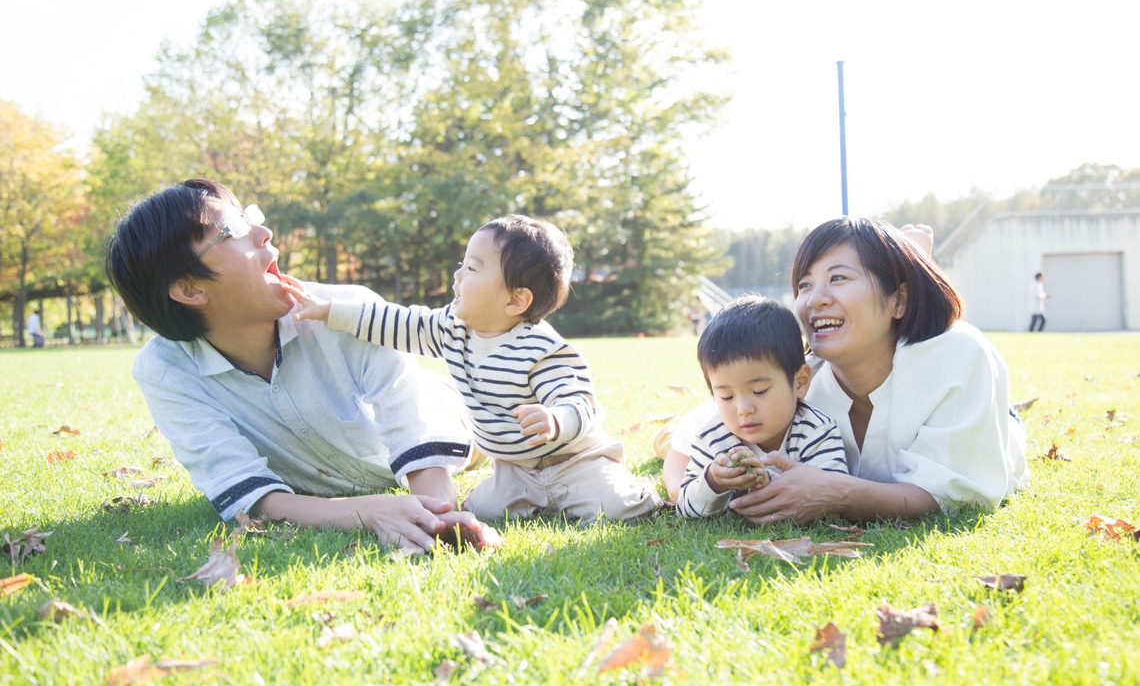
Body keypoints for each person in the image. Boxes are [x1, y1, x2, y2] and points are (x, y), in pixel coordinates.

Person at [104, 178, 496, 555]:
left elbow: (417, 432)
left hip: (462, 419)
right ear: (190, 289)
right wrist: (368, 511)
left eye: (250, 217)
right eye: (233, 230)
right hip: (354, 471)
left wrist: (437, 516)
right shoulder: (166, 371)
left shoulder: (350, 312)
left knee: (502, 432)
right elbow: (247, 494)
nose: (263, 232)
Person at [283, 214, 662, 523]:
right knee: (482, 511)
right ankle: (533, 500)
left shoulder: (541, 348)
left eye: (472, 268)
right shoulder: (453, 329)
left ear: (516, 300)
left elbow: (579, 400)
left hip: (573, 462)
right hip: (514, 468)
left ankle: (634, 488)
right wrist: (332, 310)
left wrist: (555, 419)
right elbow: (396, 322)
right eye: (461, 265)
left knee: (617, 508)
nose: (457, 276)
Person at [662, 217, 1028, 523]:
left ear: (898, 299)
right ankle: (906, 261)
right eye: (804, 285)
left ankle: (914, 262)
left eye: (838, 278)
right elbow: (687, 444)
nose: (815, 298)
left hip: (990, 422)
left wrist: (838, 493)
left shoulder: (960, 356)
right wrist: (689, 489)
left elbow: (960, 495)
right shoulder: (795, 381)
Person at [676, 295, 847, 518]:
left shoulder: (815, 432)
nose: (743, 409)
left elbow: (833, 503)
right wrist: (712, 482)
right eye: (726, 396)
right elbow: (684, 510)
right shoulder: (712, 437)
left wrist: (768, 482)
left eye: (759, 391)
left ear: (800, 382)